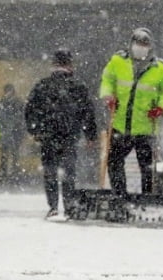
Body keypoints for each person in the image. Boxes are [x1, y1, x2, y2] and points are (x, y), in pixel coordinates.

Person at [99, 27, 163, 196]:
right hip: (120, 125)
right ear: (131, 43)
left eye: (144, 43)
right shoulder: (118, 61)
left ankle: (146, 198)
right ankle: (120, 195)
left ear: (150, 46)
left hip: (146, 128)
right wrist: (108, 95)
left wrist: (162, 107)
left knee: (147, 168)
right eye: (138, 43)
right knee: (114, 161)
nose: (140, 46)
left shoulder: (159, 68)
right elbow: (107, 79)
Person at [25, 49, 97, 219]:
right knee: (68, 172)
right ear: (70, 65)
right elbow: (87, 112)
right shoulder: (78, 86)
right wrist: (90, 135)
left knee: (50, 172)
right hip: (70, 136)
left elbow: (30, 109)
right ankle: (69, 205)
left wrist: (35, 130)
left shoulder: (42, 85)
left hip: (48, 136)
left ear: (53, 65)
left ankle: (53, 206)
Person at [0, 83, 26, 182]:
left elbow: (20, 117)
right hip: (6, 131)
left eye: (9, 91)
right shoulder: (2, 102)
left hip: (15, 131)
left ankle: (14, 171)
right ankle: (4, 171)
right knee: (4, 151)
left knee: (14, 151)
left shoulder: (18, 103)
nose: (7, 93)